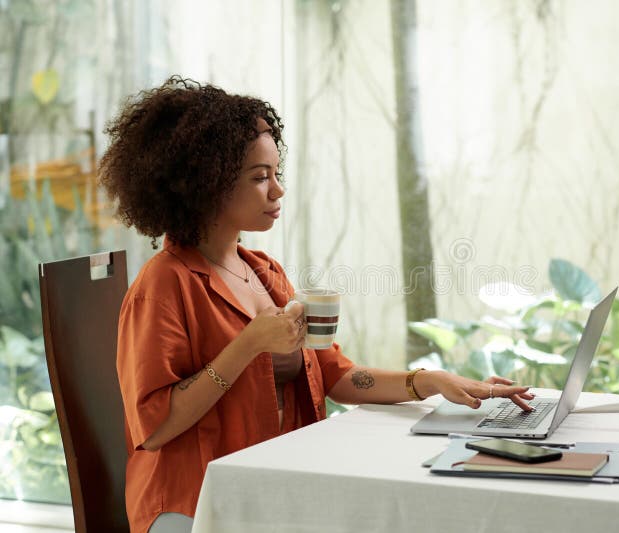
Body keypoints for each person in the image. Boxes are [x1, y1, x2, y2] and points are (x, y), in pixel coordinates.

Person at [99, 76, 534, 533]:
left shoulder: (263, 272)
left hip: (267, 486)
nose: (277, 191)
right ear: (206, 185)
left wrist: (431, 381)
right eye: (260, 178)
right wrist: (247, 345)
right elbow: (153, 427)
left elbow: (335, 376)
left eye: (276, 174)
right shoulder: (163, 285)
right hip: (198, 502)